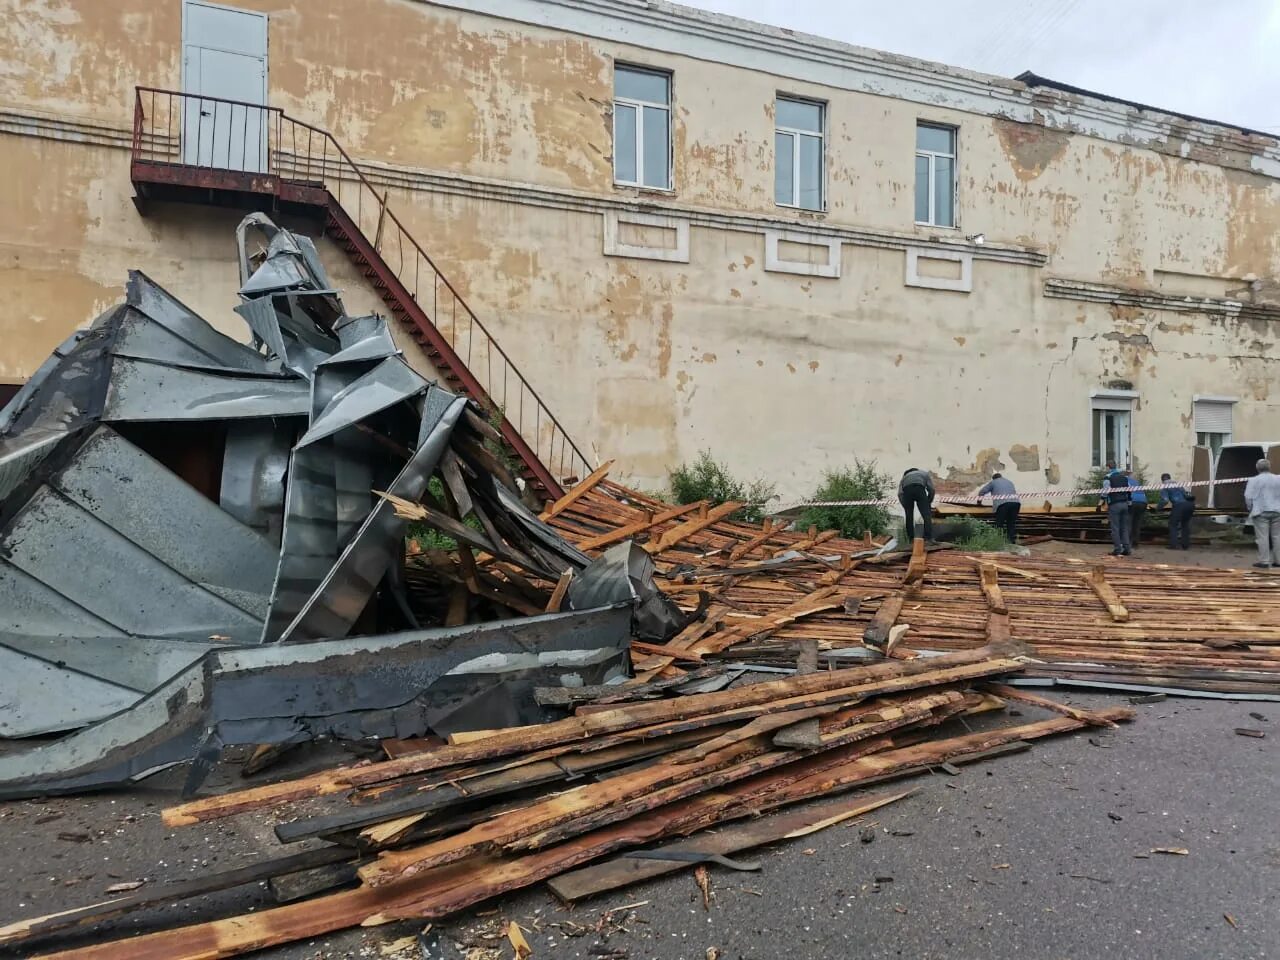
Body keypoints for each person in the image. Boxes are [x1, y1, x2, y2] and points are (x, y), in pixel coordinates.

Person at [1243, 458, 1280, 568]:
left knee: (1262, 537)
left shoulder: (1253, 480)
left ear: (1257, 468)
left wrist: (1250, 508)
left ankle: (1264, 561)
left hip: (1260, 511)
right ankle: (1278, 561)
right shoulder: (1278, 478)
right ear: (1269, 467)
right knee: (1277, 536)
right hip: (1277, 511)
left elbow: (1248, 496)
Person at [1098, 463, 1131, 556]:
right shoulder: (1124, 477)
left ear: (1108, 468)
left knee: (1115, 528)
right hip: (1125, 504)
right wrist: (1129, 502)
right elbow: (1129, 490)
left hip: (1114, 504)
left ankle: (1117, 549)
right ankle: (1127, 549)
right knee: (1124, 527)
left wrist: (1099, 504)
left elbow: (1106, 491)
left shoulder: (1107, 478)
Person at [977, 472, 1020, 543]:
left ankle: (998, 541)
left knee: (999, 523)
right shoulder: (1009, 482)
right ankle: (1011, 541)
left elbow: (982, 492)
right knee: (1011, 523)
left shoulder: (993, 482)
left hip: (1003, 504)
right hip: (1016, 503)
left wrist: (979, 502)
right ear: (1001, 477)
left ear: (994, 478)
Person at [1158, 472, 1195, 551]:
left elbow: (1165, 500)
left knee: (1173, 524)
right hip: (1189, 505)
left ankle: (1174, 545)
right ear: (1169, 478)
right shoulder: (1177, 484)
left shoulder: (1164, 486)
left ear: (1162, 480)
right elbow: (1186, 494)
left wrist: (1158, 508)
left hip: (1179, 505)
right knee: (1185, 524)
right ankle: (1185, 545)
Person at [898, 467, 935, 542]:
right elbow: (931, 489)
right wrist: (928, 501)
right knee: (926, 516)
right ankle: (928, 538)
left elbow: (900, 494)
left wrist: (905, 506)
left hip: (907, 491)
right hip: (919, 489)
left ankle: (911, 539)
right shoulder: (924, 474)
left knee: (909, 516)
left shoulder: (904, 478)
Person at [1126, 469, 1147, 551]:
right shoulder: (1136, 482)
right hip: (1143, 502)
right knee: (1137, 524)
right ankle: (1135, 544)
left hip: (1132, 502)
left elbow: (1126, 493)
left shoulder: (1124, 480)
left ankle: (1127, 543)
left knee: (1129, 523)